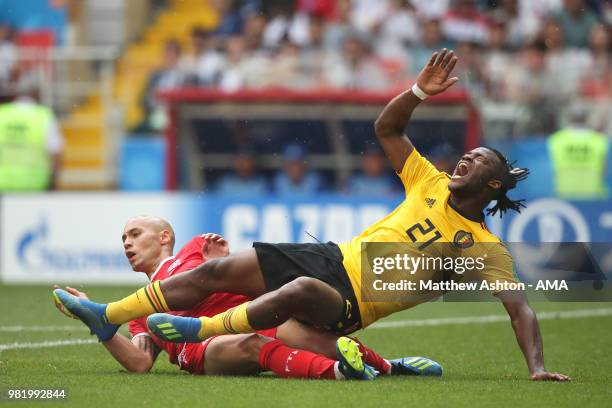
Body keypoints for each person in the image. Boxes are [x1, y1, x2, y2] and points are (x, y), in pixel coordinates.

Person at [54, 49, 570, 381]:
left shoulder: (484, 249)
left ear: (494, 185)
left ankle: (199, 328)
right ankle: (110, 314)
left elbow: (519, 309)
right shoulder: (429, 180)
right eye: (468, 153)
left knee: (296, 297)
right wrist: (417, 94)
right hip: (329, 256)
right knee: (214, 270)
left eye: (479, 161)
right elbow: (387, 130)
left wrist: (538, 368)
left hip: (348, 301)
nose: (467, 157)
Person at [54, 216, 441, 379]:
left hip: (247, 318)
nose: (127, 243)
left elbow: (230, 272)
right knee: (251, 343)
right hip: (202, 351)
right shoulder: (139, 306)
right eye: (123, 238)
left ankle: (388, 366)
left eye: (134, 234)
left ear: (164, 238)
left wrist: (220, 257)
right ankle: (342, 374)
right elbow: (140, 363)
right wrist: (103, 332)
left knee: (302, 332)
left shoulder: (196, 249)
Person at [0, 90, 64, 191]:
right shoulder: (44, 116)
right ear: (37, 95)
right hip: (35, 185)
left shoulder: (2, 114)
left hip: (2, 184)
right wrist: (53, 182)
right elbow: (56, 152)